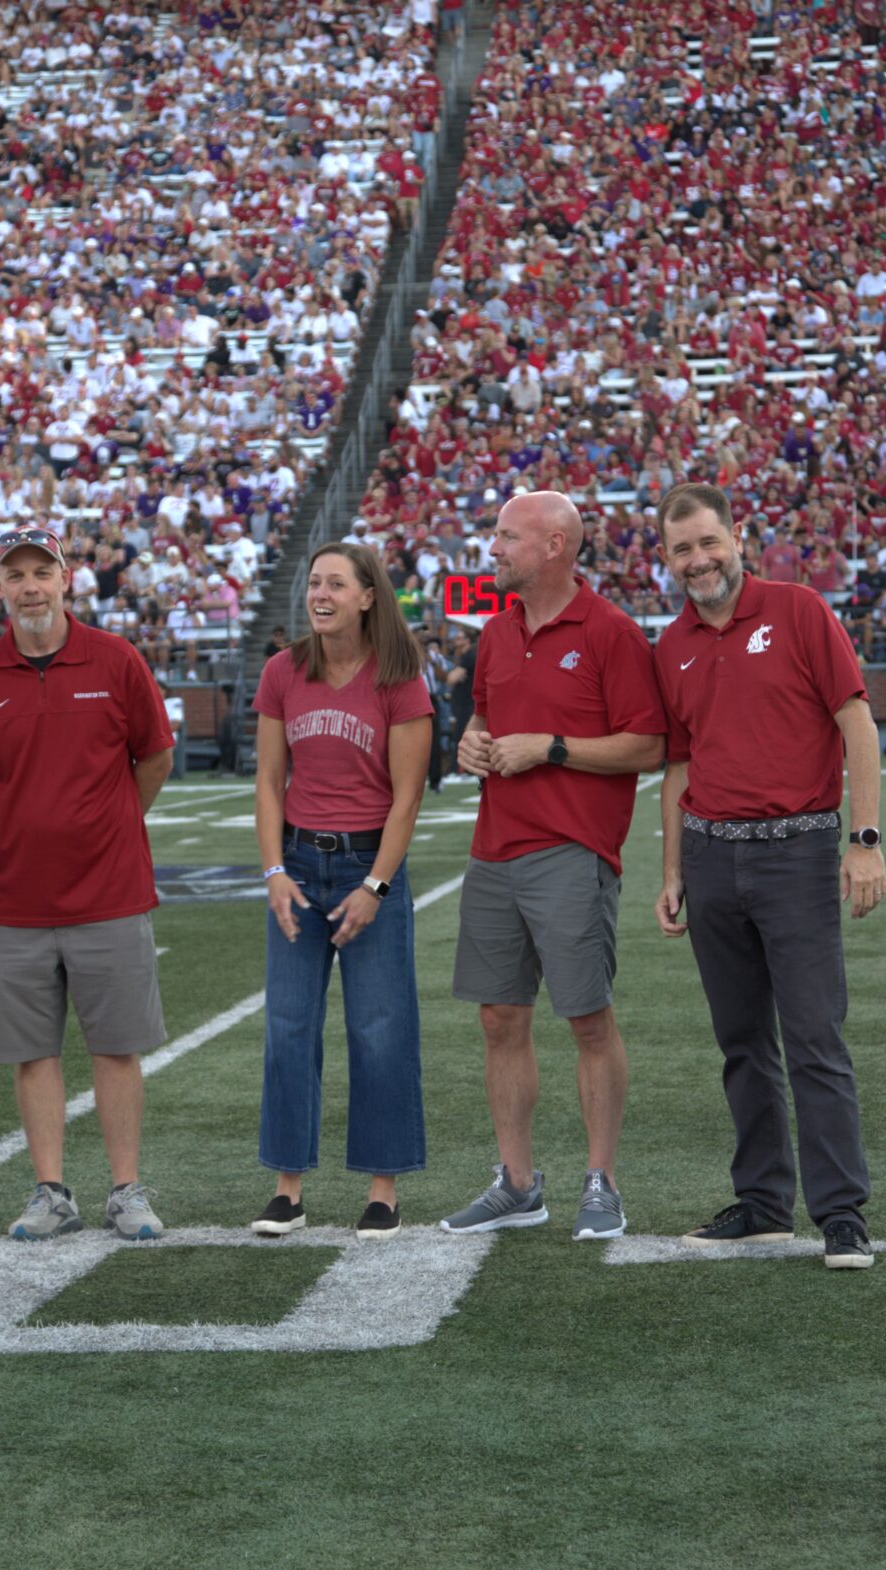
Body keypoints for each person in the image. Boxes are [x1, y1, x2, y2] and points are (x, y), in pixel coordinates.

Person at [649, 483, 884, 1271]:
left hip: (797, 851)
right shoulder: (670, 643)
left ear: (738, 534)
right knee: (741, 1041)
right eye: (682, 549)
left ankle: (842, 1213)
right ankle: (761, 1204)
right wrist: (673, 870)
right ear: (668, 557)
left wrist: (865, 837)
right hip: (712, 856)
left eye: (709, 541)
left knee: (815, 1036)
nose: (699, 559)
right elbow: (680, 763)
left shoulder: (798, 609)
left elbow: (857, 722)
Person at [439, 491, 665, 1242]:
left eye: (506, 536)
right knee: (499, 1017)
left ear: (557, 544)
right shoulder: (497, 633)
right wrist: (474, 743)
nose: (493, 549)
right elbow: (484, 716)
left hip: (572, 851)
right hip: (494, 848)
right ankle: (518, 1181)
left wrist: (552, 746)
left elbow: (649, 745)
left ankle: (602, 1179)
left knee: (587, 1019)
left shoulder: (611, 632)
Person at [0, 526, 176, 1243]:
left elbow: (155, 756)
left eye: (41, 571)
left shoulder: (115, 659)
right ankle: (51, 1191)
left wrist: (109, 824)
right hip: (14, 897)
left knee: (117, 1045)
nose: (30, 586)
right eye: (14, 575)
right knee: (32, 1052)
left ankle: (126, 1188)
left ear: (67, 576)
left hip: (108, 892)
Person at [249, 542, 433, 1239]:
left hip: (368, 865)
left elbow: (408, 796)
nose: (320, 593)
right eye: (313, 581)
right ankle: (287, 1186)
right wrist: (272, 871)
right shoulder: (282, 671)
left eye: (336, 583)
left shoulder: (398, 673)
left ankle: (383, 1189)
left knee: (380, 1028)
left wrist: (375, 887)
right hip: (297, 864)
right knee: (288, 1025)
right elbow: (268, 781)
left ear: (366, 595)